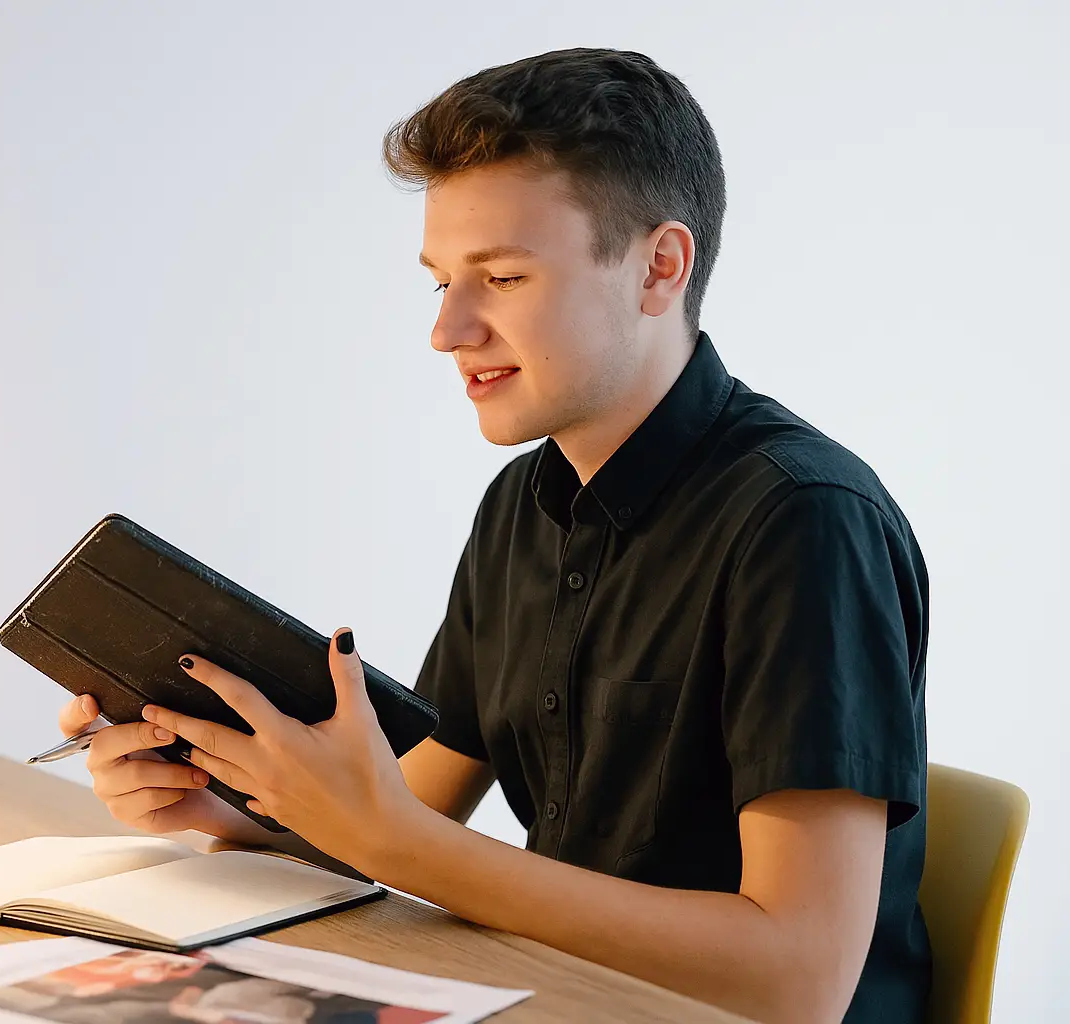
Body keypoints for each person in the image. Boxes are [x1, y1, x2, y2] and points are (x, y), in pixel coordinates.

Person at [57, 48, 931, 1024]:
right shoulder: (522, 504)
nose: (449, 330)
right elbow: (409, 811)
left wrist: (407, 847)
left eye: (502, 277)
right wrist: (227, 808)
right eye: (440, 283)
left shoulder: (805, 521)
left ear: (660, 266)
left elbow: (799, 979)